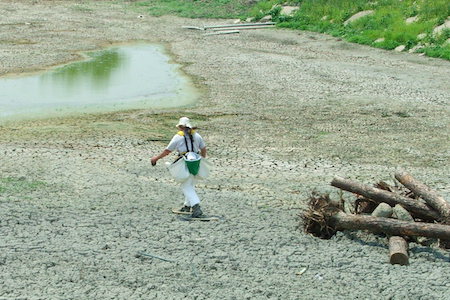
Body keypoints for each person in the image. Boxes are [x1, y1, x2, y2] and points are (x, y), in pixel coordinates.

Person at [151, 117, 207, 217]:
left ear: (181, 127)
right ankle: (187, 206)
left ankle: (196, 207)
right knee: (190, 183)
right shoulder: (197, 136)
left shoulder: (178, 137)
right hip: (196, 162)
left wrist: (156, 158)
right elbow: (203, 148)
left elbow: (168, 151)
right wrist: (202, 160)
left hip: (184, 162)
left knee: (186, 185)